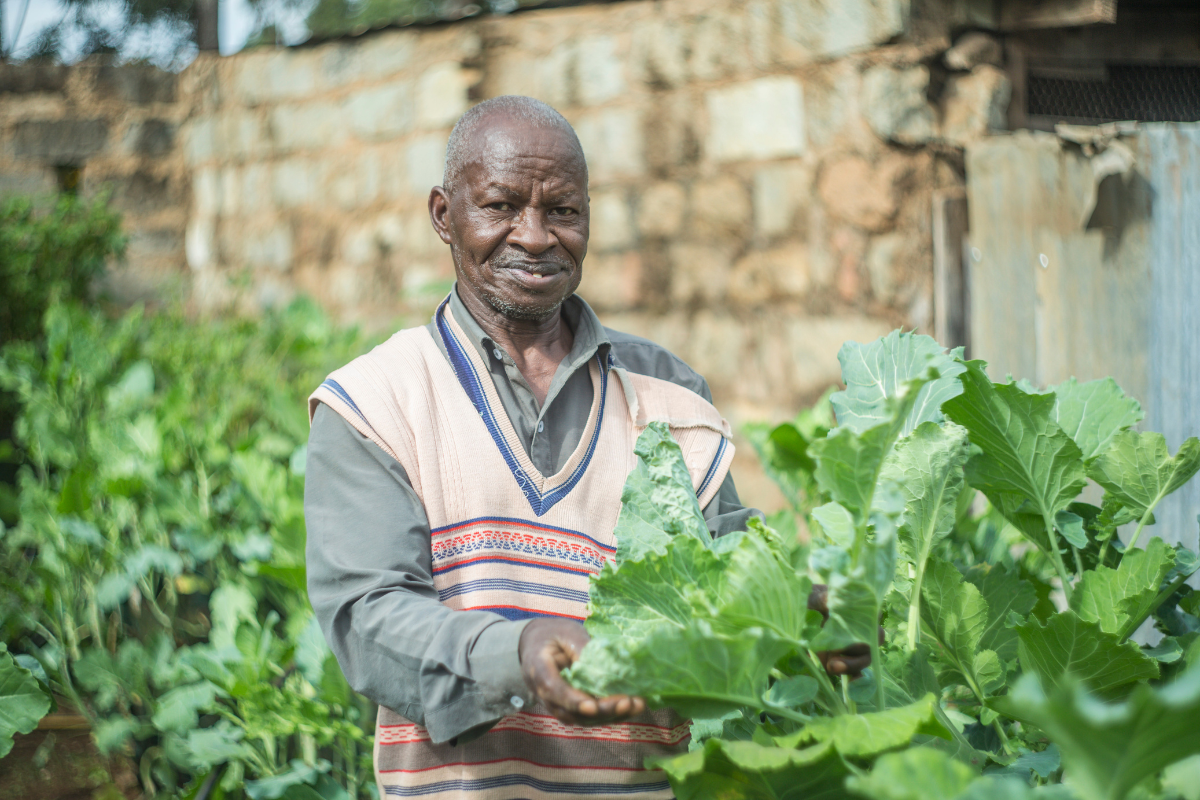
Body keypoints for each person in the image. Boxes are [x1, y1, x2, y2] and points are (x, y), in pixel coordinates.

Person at [304, 95, 871, 799]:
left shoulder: (665, 390)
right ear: (443, 216)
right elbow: (369, 618)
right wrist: (520, 651)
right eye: (501, 206)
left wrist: (802, 609)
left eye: (563, 211)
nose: (536, 236)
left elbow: (723, 560)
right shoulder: (377, 402)